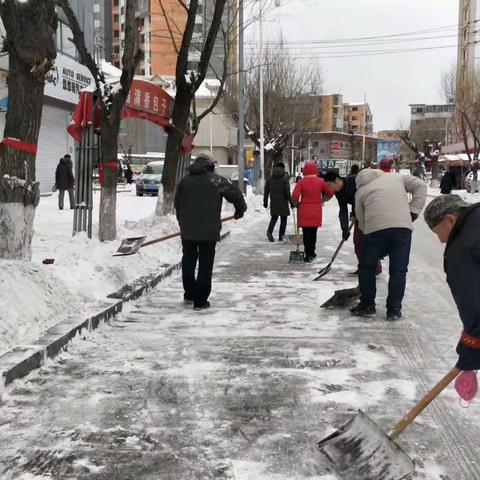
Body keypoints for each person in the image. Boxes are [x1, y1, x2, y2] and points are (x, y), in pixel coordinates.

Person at [351, 169, 427, 319]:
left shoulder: (360, 191)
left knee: (367, 267)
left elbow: (361, 220)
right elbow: (421, 185)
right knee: (398, 270)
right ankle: (394, 310)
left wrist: (371, 240)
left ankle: (367, 305)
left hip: (374, 230)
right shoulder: (396, 177)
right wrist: (413, 210)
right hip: (402, 229)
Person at [174, 154, 247, 310]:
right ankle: (200, 301)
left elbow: (177, 204)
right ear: (209, 165)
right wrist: (240, 211)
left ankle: (189, 294)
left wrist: (182, 223)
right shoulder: (216, 180)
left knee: (188, 260)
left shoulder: (184, 181)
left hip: (188, 231)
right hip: (209, 231)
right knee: (205, 265)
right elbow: (236, 195)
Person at [424, 195, 480, 371]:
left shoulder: (462, 249)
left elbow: (473, 305)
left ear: (450, 220)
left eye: (437, 232)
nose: (440, 240)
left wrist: (471, 346)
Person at [292, 161, 334, 262]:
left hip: (304, 210)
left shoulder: (301, 182)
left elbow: (295, 196)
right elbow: (331, 192)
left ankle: (308, 253)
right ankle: (312, 252)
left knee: (306, 233)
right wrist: (322, 199)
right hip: (316, 210)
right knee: (313, 232)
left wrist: (296, 203)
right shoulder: (320, 181)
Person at [263, 162, 294, 242]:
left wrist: (265, 202)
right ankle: (281, 236)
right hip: (283, 202)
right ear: (283, 168)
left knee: (274, 218)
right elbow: (287, 192)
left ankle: (269, 232)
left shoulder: (270, 178)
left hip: (274, 202)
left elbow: (266, 191)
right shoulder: (285, 177)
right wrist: (291, 202)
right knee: (284, 219)